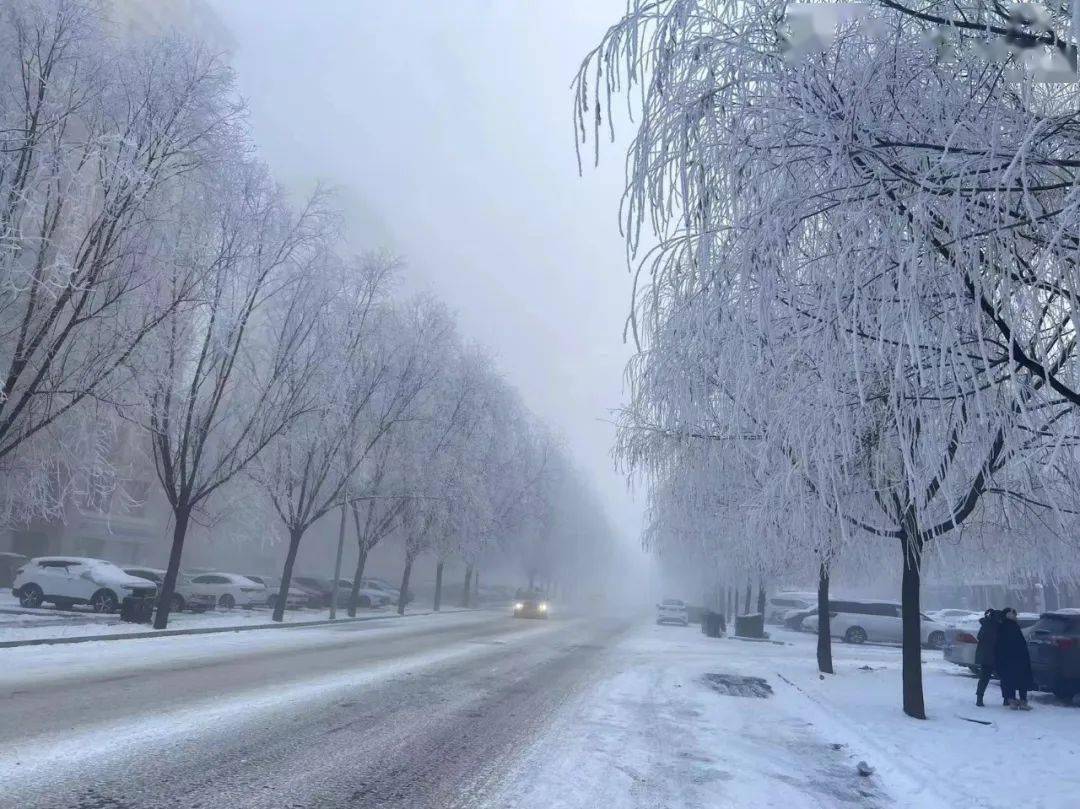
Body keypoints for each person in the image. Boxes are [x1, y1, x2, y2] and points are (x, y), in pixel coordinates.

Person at [995, 607, 1034, 710]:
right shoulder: (1012, 626)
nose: (1016, 617)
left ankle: (1012, 700)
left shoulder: (1002, 626)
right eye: (1014, 615)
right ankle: (1022, 701)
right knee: (1022, 680)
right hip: (1018, 658)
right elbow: (1019, 643)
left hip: (1007, 659)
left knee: (1009, 680)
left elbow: (999, 645)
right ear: (1010, 615)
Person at [974, 608, 1006, 707]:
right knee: (1004, 678)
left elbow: (979, 637)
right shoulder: (996, 626)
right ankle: (1006, 699)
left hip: (986, 656)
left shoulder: (986, 625)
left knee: (984, 679)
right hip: (995, 656)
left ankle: (979, 698)